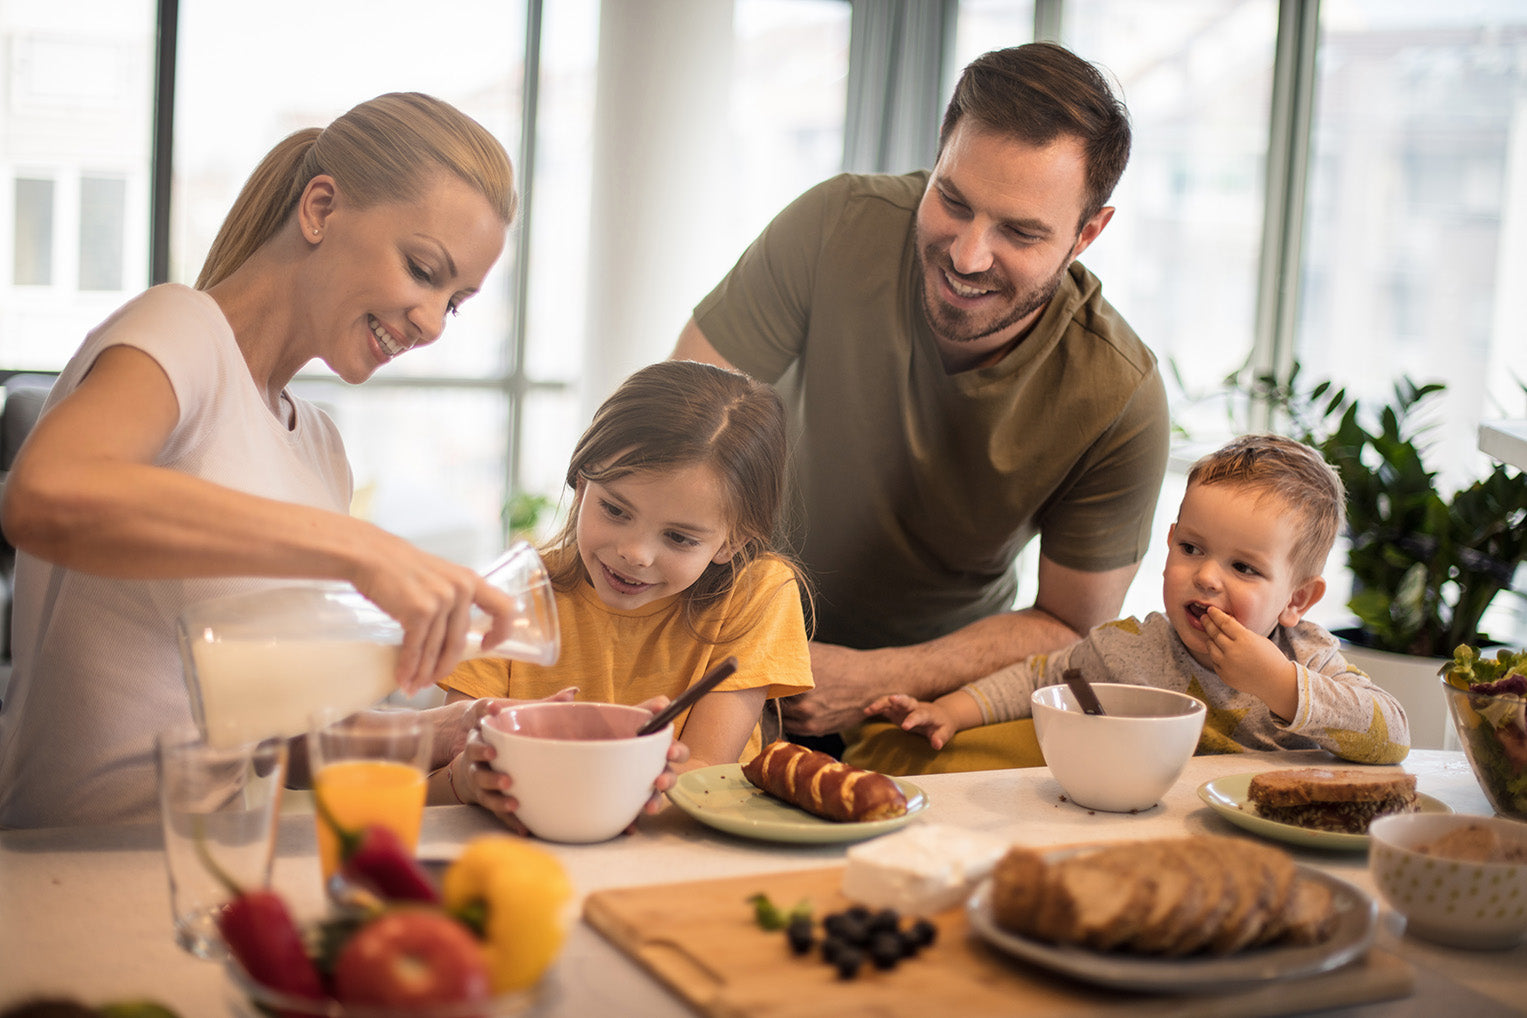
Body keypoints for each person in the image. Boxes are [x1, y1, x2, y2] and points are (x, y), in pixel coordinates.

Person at [0, 93, 682, 829]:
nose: (430, 323)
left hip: (217, 863)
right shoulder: (180, 329)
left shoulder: (318, 447)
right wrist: (360, 550)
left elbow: (271, 737)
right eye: (424, 270)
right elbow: (47, 495)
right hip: (70, 860)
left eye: (454, 302)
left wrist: (449, 733)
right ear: (321, 208)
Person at [670, 42, 1170, 768]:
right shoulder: (835, 223)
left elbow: (1071, 624)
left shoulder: (1117, 394)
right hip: (724, 635)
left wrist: (878, 677)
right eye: (953, 201)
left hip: (928, 699)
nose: (967, 256)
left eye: (1020, 232)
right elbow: (676, 428)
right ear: (937, 157)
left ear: (1087, 233)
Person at [869, 435, 1412, 764]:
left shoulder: (1305, 658)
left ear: (1296, 600)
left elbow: (1392, 735)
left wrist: (1277, 683)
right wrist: (950, 711)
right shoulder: (1129, 649)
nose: (1206, 577)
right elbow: (1043, 676)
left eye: (1243, 567)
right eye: (1191, 548)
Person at [440, 360, 815, 828]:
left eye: (679, 538)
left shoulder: (758, 594)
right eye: (615, 510)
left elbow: (703, 773)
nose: (635, 554)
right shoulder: (509, 596)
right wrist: (467, 780)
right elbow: (438, 777)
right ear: (580, 485)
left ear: (733, 542)